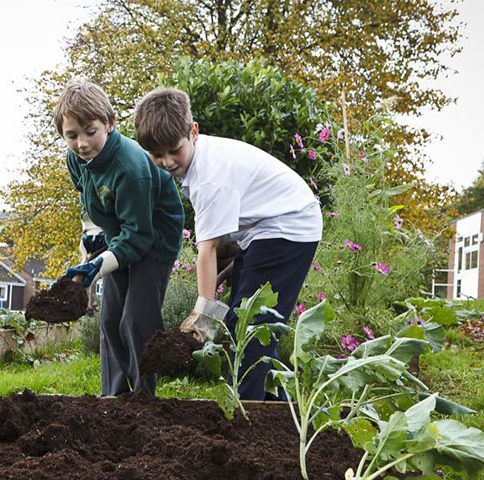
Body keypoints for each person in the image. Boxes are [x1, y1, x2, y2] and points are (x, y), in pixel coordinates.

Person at [134, 88, 322, 401]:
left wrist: (203, 318)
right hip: (265, 230)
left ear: (193, 132)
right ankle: (277, 410)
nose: (166, 162)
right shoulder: (199, 159)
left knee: (250, 329)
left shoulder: (210, 176)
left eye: (173, 151)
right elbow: (222, 243)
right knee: (246, 321)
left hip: (288, 228)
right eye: (156, 155)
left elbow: (206, 252)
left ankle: (248, 412)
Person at [55, 80, 184, 396]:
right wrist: (91, 243)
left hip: (153, 239)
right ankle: (114, 398)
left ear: (110, 124)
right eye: (71, 135)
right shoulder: (76, 160)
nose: (82, 143)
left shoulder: (129, 166)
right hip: (120, 236)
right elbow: (89, 202)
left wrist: (99, 265)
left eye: (90, 131)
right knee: (111, 318)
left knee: (135, 319)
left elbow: (139, 237)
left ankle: (142, 397)